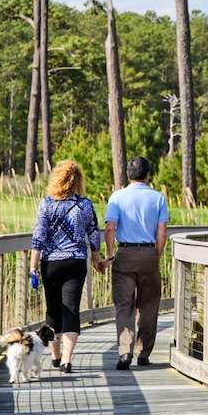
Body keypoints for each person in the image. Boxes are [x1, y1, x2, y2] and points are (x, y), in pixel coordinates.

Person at [30, 160, 102, 373]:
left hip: (51, 263)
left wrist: (33, 266)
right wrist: (97, 259)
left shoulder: (46, 204)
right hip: (76, 262)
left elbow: (38, 237)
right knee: (71, 309)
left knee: (53, 309)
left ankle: (55, 355)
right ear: (78, 180)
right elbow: (94, 234)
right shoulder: (85, 205)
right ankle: (67, 360)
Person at [102, 156, 169, 370]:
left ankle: (124, 352)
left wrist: (111, 254)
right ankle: (143, 353)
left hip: (125, 254)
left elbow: (110, 228)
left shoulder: (117, 197)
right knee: (149, 305)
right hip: (148, 254)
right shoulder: (158, 198)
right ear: (148, 174)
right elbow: (162, 233)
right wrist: (155, 255)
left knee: (124, 304)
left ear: (128, 175)